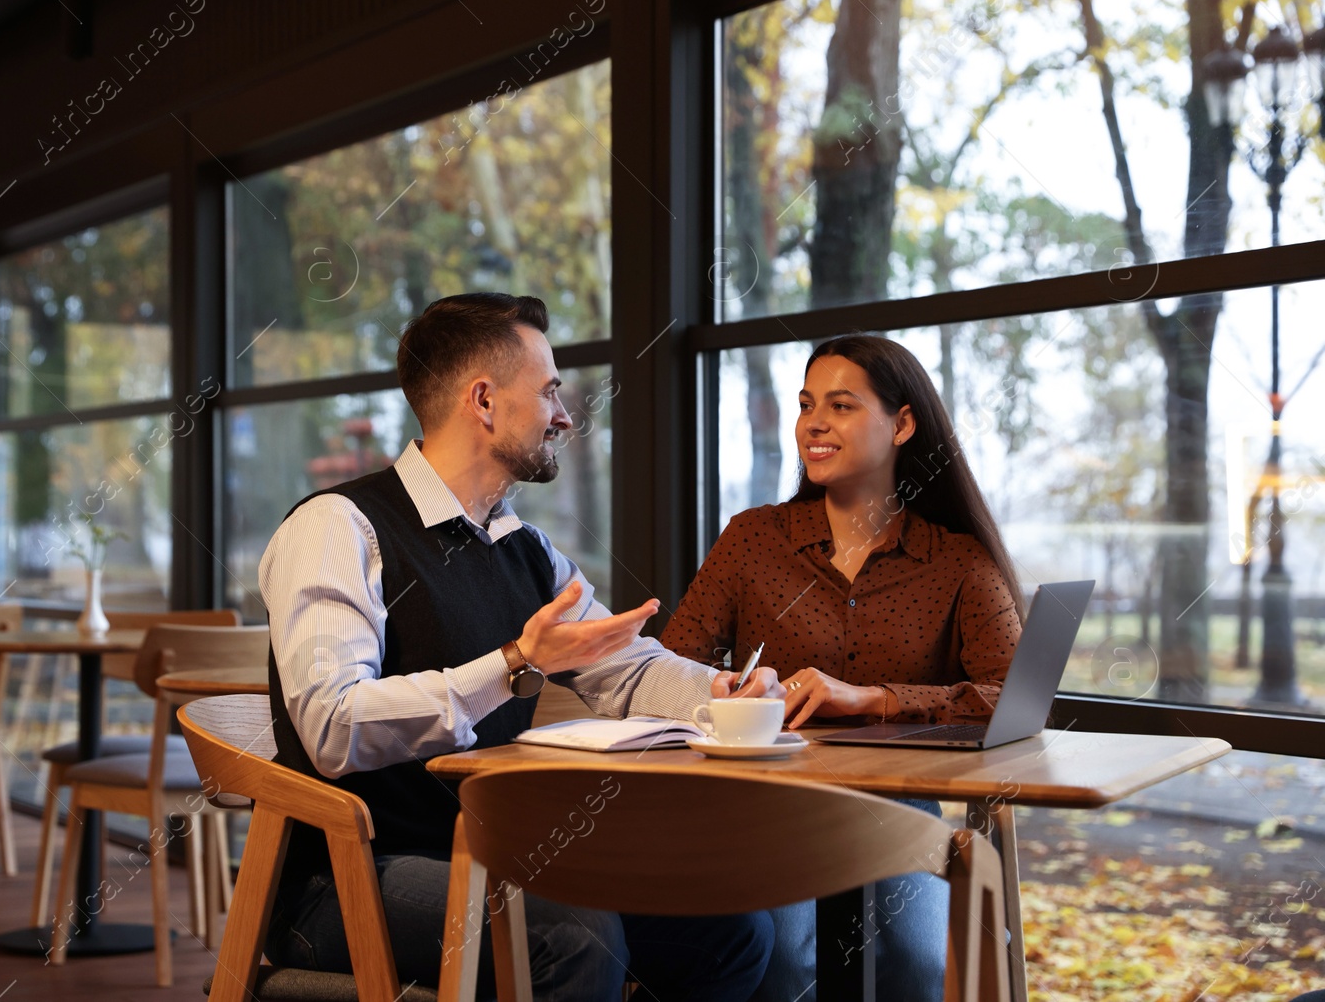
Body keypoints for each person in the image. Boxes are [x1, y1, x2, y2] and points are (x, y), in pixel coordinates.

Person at [260, 292, 780, 1001]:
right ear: (484, 400)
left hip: (490, 853)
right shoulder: (339, 526)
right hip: (345, 878)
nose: (565, 415)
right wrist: (511, 665)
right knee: (573, 930)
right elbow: (332, 725)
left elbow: (625, 667)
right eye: (550, 391)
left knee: (731, 927)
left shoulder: (524, 550)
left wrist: (722, 694)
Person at [660, 334, 1024, 1002]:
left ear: (903, 423)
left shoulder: (957, 560)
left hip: (898, 806)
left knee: (917, 963)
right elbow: (670, 665)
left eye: (842, 405)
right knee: (780, 964)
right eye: (805, 405)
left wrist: (873, 698)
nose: (814, 423)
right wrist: (732, 690)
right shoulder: (751, 539)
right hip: (766, 805)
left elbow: (1016, 698)